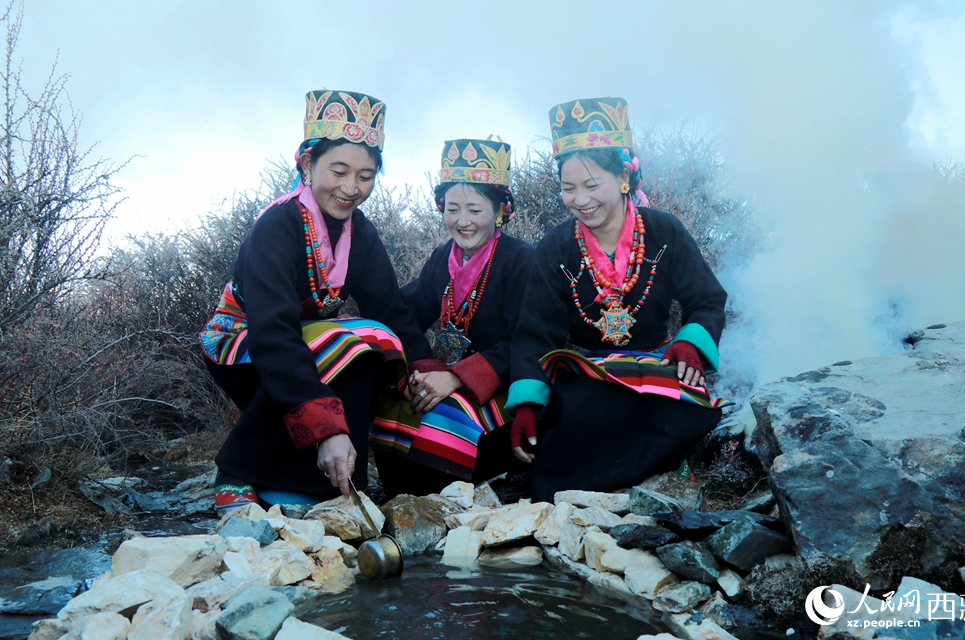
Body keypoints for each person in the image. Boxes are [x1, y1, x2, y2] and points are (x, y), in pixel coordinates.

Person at [200, 90, 437, 513]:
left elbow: (389, 309)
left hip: (304, 341)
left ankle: (338, 489)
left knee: (376, 343)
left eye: (365, 176)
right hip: (242, 343)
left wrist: (428, 372)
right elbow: (273, 331)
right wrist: (325, 427)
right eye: (339, 171)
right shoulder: (277, 226)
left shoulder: (359, 231)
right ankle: (239, 471)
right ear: (308, 165)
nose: (351, 189)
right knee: (350, 343)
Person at [506, 97, 733, 503]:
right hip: (589, 371)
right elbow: (536, 332)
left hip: (657, 364)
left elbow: (707, 299)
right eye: (568, 188)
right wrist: (526, 403)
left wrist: (688, 346)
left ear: (624, 179)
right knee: (578, 410)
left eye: (592, 186)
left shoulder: (664, 231)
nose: (579, 199)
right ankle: (585, 498)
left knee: (691, 410)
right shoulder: (555, 247)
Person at [372, 137, 535, 499]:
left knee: (448, 414)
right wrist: (422, 366)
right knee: (391, 397)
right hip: (454, 378)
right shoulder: (442, 258)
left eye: (475, 210)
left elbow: (528, 342)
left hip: (506, 383)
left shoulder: (521, 261)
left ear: (500, 210)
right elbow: (405, 312)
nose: (462, 222)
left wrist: (459, 377)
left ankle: (444, 492)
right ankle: (406, 496)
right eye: (452, 209)